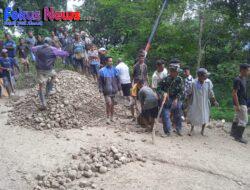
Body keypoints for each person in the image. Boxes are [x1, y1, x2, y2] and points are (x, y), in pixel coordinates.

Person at [31, 38, 69, 110]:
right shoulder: (53, 49)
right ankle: (48, 91)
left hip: (39, 70)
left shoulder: (38, 48)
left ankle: (43, 104)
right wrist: (66, 52)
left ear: (44, 42)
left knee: (41, 86)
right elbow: (64, 54)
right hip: (49, 70)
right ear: (50, 42)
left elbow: (32, 49)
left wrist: (40, 46)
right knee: (54, 76)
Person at [187, 68, 219, 136]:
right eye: (205, 75)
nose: (206, 77)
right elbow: (189, 93)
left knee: (205, 116)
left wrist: (214, 101)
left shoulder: (208, 82)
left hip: (205, 103)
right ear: (200, 76)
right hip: (195, 102)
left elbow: (211, 93)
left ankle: (202, 130)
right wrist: (188, 103)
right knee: (194, 115)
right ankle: (192, 129)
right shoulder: (193, 83)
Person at [157, 63, 184, 136]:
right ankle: (167, 131)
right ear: (171, 71)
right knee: (165, 114)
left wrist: (176, 99)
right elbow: (158, 88)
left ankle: (178, 129)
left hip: (176, 98)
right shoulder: (165, 79)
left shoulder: (180, 79)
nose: (177, 73)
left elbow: (182, 91)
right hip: (167, 99)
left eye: (178, 72)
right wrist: (163, 93)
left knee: (178, 111)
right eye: (176, 72)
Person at [98, 56, 121, 124]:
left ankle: (112, 117)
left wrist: (120, 89)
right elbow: (100, 82)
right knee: (109, 103)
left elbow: (118, 80)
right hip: (106, 90)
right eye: (109, 61)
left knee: (113, 104)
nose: (111, 62)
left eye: (111, 61)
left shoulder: (115, 70)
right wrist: (100, 89)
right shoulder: (102, 71)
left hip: (114, 90)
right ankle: (107, 118)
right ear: (106, 62)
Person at [231, 64, 250, 144]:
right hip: (240, 102)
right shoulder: (237, 80)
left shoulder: (244, 79)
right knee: (244, 120)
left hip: (243, 102)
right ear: (243, 70)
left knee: (237, 117)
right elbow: (234, 93)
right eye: (248, 70)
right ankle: (238, 137)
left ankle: (233, 133)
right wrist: (237, 105)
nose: (249, 72)